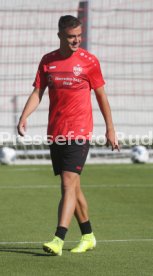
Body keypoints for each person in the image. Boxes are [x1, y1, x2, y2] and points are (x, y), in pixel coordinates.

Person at [17, 15, 119, 256]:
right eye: (71, 37)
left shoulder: (89, 62)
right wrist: (24, 116)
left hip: (80, 131)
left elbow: (102, 96)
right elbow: (38, 92)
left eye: (79, 36)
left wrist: (110, 128)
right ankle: (88, 236)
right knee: (74, 186)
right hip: (56, 132)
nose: (76, 41)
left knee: (67, 184)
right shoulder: (48, 61)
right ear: (60, 35)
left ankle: (58, 239)